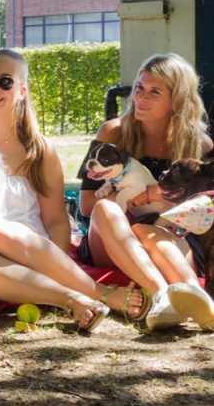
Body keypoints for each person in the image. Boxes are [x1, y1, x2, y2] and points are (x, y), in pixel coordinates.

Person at [0, 49, 147, 333]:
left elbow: (56, 221)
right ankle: (69, 299)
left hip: (24, 251)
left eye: (5, 82)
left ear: (21, 90)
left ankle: (92, 292)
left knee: (3, 231)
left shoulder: (38, 149)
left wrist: (57, 268)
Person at [77, 53, 214, 331]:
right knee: (106, 208)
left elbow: (205, 207)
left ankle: (201, 305)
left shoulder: (200, 146)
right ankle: (164, 294)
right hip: (111, 234)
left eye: (154, 92)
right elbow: (87, 206)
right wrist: (135, 194)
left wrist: (157, 195)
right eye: (139, 88)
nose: (141, 98)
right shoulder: (112, 133)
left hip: (169, 237)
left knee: (146, 231)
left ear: (177, 100)